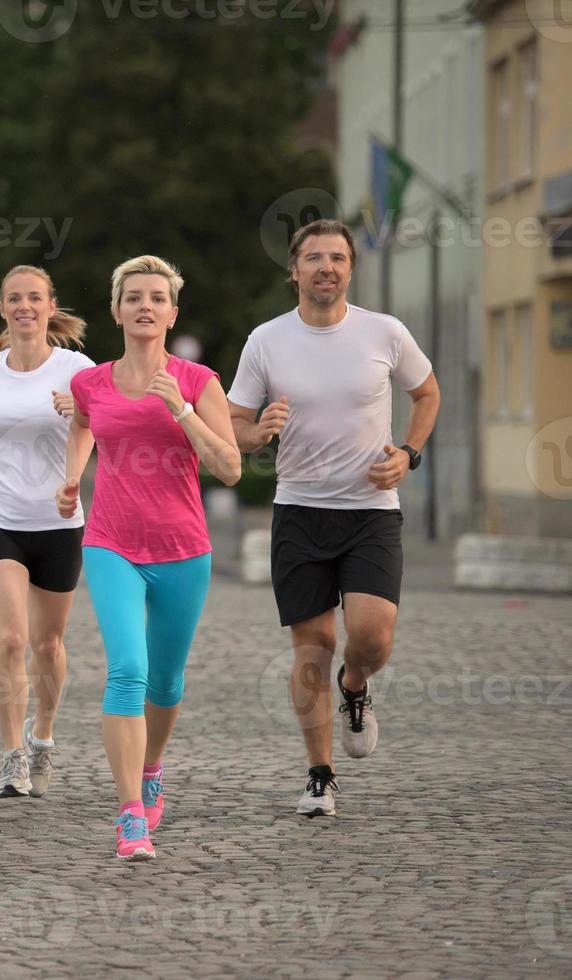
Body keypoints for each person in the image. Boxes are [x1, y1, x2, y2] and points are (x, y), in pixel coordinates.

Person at [226, 218, 440, 818]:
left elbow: (427, 394)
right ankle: (321, 775)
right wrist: (255, 431)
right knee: (312, 645)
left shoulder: (385, 333)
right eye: (314, 257)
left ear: (350, 268)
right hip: (299, 511)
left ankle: (356, 686)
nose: (327, 267)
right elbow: (234, 422)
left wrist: (408, 453)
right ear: (293, 270)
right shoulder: (267, 340)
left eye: (338, 258)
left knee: (371, 636)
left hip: (371, 511)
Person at [56, 255, 241, 860]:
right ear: (116, 310)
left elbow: (231, 469)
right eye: (133, 297)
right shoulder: (91, 383)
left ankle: (153, 764)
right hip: (111, 543)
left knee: (166, 681)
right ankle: (130, 812)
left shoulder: (197, 380)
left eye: (157, 298)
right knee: (127, 671)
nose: (145, 306)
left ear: (172, 312)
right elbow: (84, 425)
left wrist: (181, 412)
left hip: (184, 549)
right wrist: (70, 478)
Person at [0, 265, 94, 799]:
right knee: (12, 637)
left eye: (34, 297)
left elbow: (96, 424)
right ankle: (12, 755)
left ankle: (43, 735)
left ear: (50, 305)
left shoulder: (78, 368)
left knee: (47, 643)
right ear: (2, 307)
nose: (25, 306)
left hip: (58, 521)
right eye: (14, 298)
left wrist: (73, 479)